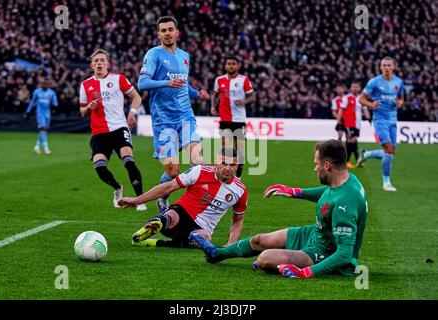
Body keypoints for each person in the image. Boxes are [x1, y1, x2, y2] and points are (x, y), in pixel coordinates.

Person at [190, 140, 368, 279]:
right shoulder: (347, 179)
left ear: (327, 165)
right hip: (315, 234)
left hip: (324, 252)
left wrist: (306, 272)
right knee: (260, 240)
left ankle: (269, 263)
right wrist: (294, 192)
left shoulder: (345, 205)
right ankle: (216, 253)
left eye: (317, 163)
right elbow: (330, 193)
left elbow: (344, 254)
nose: (315, 168)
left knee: (265, 258)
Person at [137, 16, 210, 213]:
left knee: (198, 163)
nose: (167, 33)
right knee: (173, 170)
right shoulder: (154, 55)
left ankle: (194, 210)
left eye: (170, 29)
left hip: (186, 116)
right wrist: (165, 82)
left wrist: (197, 94)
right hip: (163, 121)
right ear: (158, 34)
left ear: (177, 32)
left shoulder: (184, 55)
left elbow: (183, 84)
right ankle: (163, 197)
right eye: (163, 30)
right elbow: (142, 84)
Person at [118, 148, 248, 249]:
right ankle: (158, 222)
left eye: (233, 165)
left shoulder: (240, 191)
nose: (228, 168)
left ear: (237, 166)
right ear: (216, 162)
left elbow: (237, 221)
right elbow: (168, 187)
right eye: (224, 163)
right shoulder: (199, 171)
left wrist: (231, 244)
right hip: (181, 214)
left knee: (205, 238)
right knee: (171, 216)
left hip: (201, 228)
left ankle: (158, 243)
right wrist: (136, 201)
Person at [79, 49, 147, 210]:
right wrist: (89, 107)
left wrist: (132, 113)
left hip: (119, 128)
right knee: (100, 167)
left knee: (128, 160)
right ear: (91, 65)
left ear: (108, 64)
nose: (99, 63)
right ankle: (117, 188)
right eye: (96, 61)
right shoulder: (85, 85)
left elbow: (137, 97)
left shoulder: (119, 79)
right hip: (99, 133)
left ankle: (140, 200)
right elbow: (82, 112)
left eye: (102, 60)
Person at [357, 57, 404, 191]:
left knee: (391, 152)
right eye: (384, 66)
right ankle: (386, 182)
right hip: (380, 120)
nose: (386, 68)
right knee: (388, 150)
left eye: (389, 65)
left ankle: (366, 154)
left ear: (393, 67)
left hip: (393, 120)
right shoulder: (374, 82)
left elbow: (401, 99)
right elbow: (361, 99)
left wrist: (399, 103)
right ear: (380, 67)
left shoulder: (398, 82)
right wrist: (371, 104)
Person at [210, 56, 255, 179]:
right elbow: (215, 94)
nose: (231, 66)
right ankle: (225, 176)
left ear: (238, 66)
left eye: (233, 64)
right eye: (229, 64)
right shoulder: (219, 80)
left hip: (239, 120)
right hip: (225, 120)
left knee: (239, 150)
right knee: (227, 150)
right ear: (225, 66)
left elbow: (252, 97)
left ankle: (238, 178)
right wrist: (213, 107)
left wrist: (244, 101)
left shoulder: (244, 80)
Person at [337, 82, 371, 168]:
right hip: (349, 123)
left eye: (357, 87)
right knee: (351, 141)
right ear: (351, 88)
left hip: (357, 125)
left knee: (353, 142)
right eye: (353, 87)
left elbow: (365, 109)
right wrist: (339, 122)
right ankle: (347, 161)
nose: (355, 88)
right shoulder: (346, 98)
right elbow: (341, 110)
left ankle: (356, 161)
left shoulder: (361, 98)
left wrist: (369, 118)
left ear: (359, 88)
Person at [25, 78, 58, 155]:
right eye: (42, 83)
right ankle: (46, 148)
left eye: (45, 84)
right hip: (40, 113)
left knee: (44, 131)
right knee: (42, 129)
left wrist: (54, 105)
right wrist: (28, 111)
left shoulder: (51, 93)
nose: (43, 85)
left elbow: (56, 103)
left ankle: (36, 147)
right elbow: (32, 101)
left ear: (48, 85)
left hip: (47, 113)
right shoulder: (37, 92)